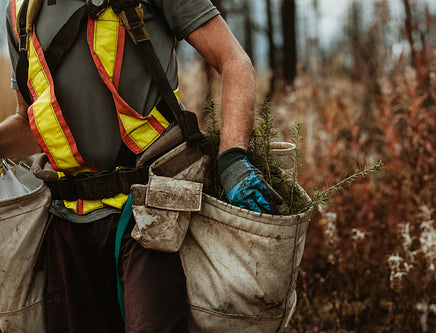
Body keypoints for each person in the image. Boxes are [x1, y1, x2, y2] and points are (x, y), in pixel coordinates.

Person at [0, 0, 281, 331]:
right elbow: (29, 124)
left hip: (152, 212)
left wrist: (232, 157)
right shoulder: (20, 12)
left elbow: (234, 61)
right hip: (68, 222)